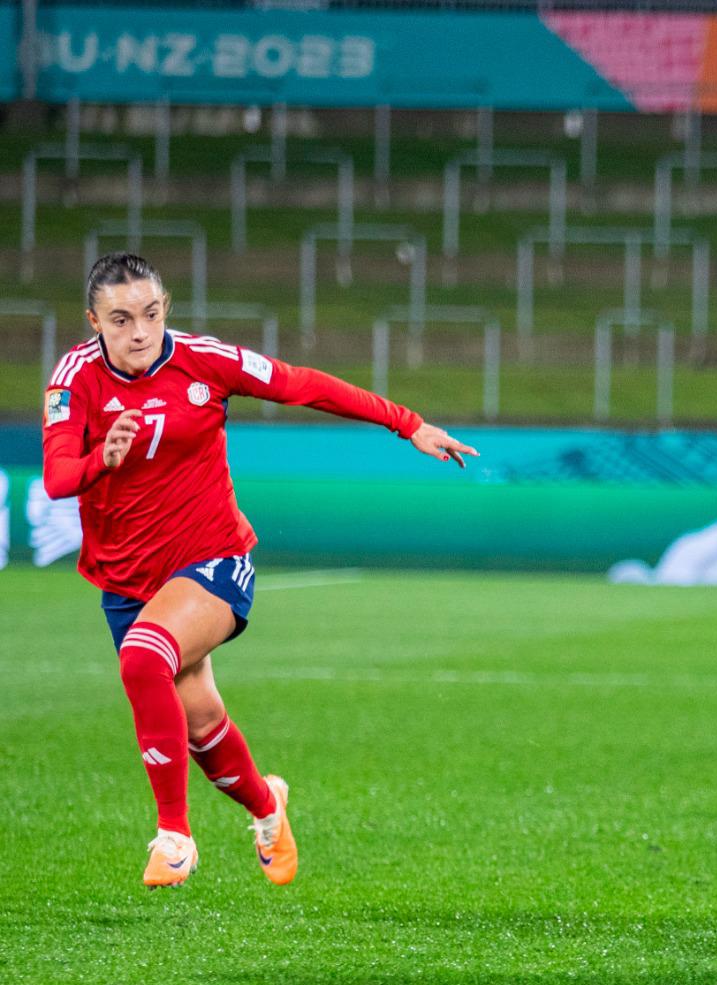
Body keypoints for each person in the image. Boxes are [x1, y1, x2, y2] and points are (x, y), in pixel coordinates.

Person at [42, 252, 478, 888]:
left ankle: (174, 837)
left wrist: (407, 423)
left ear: (167, 308)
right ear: (93, 321)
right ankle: (268, 807)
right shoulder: (74, 378)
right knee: (198, 725)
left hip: (212, 557)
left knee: (143, 658)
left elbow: (304, 384)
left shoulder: (204, 360)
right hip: (127, 578)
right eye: (121, 319)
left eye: (152, 313)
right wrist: (102, 460)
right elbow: (58, 478)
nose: (140, 332)